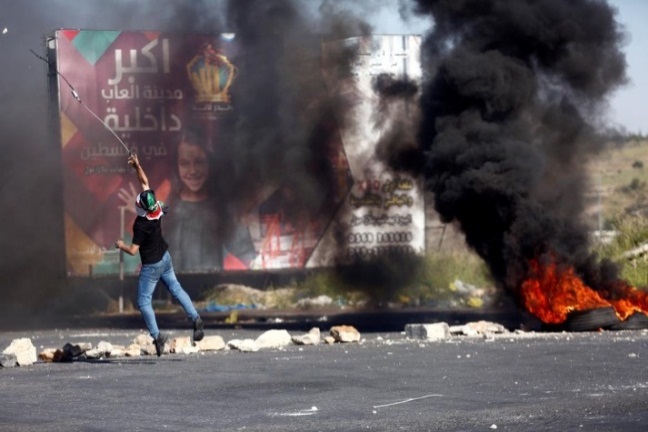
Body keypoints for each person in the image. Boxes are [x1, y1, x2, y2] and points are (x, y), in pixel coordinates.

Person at [115, 153, 204, 357]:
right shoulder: (156, 208)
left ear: (141, 209)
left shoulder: (141, 225)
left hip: (151, 266)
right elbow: (144, 181)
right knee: (176, 288)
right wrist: (137, 165)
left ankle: (157, 336)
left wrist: (120, 245)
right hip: (165, 258)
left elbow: (133, 251)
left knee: (144, 302)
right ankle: (196, 318)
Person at [165, 126, 257, 272]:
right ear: (177, 167)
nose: (193, 171)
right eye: (185, 164)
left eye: (199, 162)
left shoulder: (223, 209)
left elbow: (246, 256)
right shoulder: (167, 210)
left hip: (211, 291)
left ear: (209, 163)